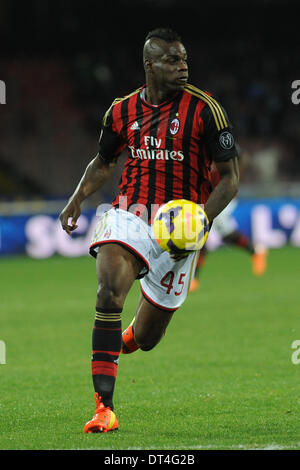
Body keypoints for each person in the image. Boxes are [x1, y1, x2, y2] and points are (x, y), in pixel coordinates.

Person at [59, 28, 239, 433]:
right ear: (150, 65)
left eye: (185, 59)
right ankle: (104, 408)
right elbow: (103, 161)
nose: (183, 66)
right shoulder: (121, 111)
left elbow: (230, 179)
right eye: (173, 60)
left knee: (148, 336)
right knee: (108, 291)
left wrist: (201, 223)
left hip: (181, 226)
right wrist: (76, 198)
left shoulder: (206, 109)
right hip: (132, 213)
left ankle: (117, 344)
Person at [189, 150, 267, 292]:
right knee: (203, 234)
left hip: (221, 194)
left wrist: (235, 179)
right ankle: (255, 250)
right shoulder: (199, 142)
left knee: (202, 232)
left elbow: (244, 159)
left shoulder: (221, 139)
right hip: (205, 194)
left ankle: (193, 278)